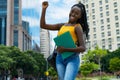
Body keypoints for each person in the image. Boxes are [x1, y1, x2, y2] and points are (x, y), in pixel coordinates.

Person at [40, 1, 89, 80]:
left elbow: (83, 48)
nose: (73, 14)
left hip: (72, 59)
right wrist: (44, 9)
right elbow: (43, 25)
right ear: (70, 11)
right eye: (72, 11)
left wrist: (65, 49)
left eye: (76, 13)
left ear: (80, 16)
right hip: (59, 58)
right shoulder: (62, 25)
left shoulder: (77, 27)